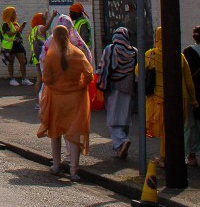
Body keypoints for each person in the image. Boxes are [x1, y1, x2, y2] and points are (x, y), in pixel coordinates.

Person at [37, 24, 93, 181]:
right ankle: (74, 171)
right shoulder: (77, 54)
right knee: (73, 133)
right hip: (75, 100)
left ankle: (56, 165)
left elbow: (46, 79)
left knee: (55, 132)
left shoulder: (51, 56)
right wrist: (79, 85)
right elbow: (89, 74)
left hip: (56, 99)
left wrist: (57, 84)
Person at [145, 26, 198, 167]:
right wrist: (193, 100)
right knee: (176, 129)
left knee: (165, 131)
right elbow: (188, 81)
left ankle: (166, 158)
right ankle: (174, 156)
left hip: (158, 99)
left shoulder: (150, 55)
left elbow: (139, 72)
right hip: (180, 98)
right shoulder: (179, 56)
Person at [96, 26, 138, 160]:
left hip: (114, 88)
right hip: (129, 89)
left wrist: (100, 86)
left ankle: (121, 141)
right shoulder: (134, 51)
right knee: (125, 118)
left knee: (113, 120)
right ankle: (121, 150)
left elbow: (104, 69)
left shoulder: (111, 49)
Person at [29, 11, 58, 102]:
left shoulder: (33, 31)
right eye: (43, 19)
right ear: (39, 20)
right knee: (42, 79)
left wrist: (46, 15)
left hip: (37, 57)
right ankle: (40, 100)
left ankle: (39, 100)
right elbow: (46, 28)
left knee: (40, 78)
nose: (45, 20)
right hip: (42, 57)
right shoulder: (39, 27)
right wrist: (52, 16)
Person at [0, 6, 31, 86]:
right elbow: (9, 34)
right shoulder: (5, 24)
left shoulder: (15, 23)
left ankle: (24, 79)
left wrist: (21, 28)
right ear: (9, 14)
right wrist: (17, 30)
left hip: (18, 44)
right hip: (10, 46)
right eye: (14, 13)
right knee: (11, 62)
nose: (16, 14)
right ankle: (12, 79)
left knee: (23, 61)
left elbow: (18, 32)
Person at [184, 25, 200, 165]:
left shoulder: (188, 52)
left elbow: (184, 76)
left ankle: (191, 155)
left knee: (191, 124)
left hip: (193, 92)